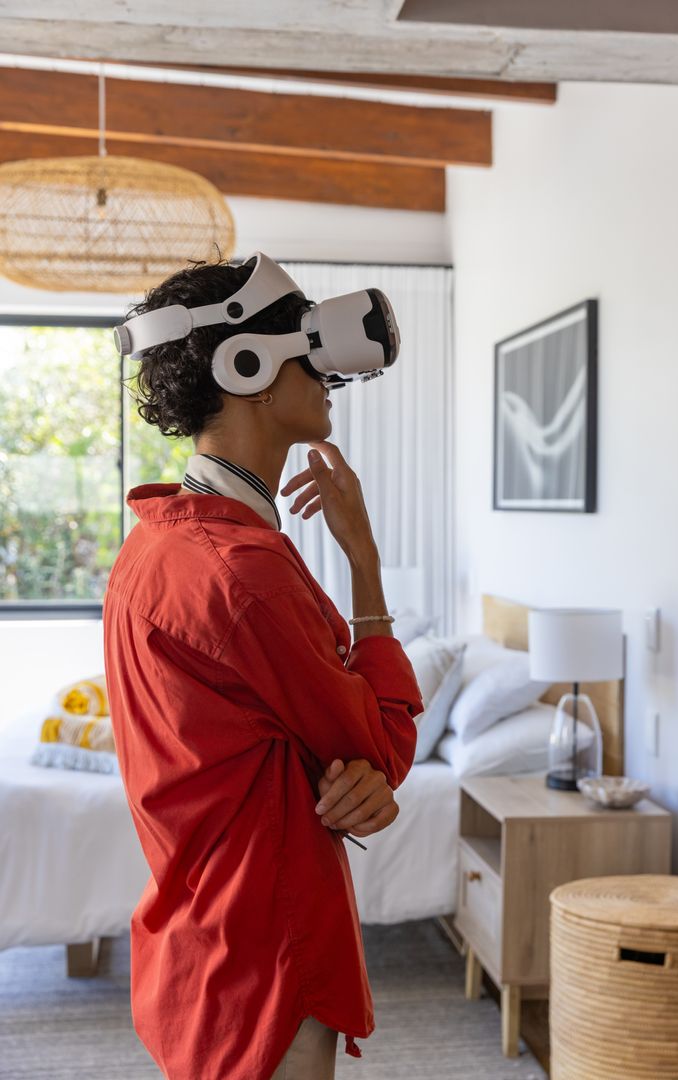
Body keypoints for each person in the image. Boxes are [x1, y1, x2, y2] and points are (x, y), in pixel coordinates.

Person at [103, 257, 424, 1080]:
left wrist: (339, 760)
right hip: (268, 958)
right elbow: (384, 746)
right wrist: (364, 562)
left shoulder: (156, 542)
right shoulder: (243, 572)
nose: (327, 379)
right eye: (307, 353)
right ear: (247, 369)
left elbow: (286, 735)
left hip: (202, 946)